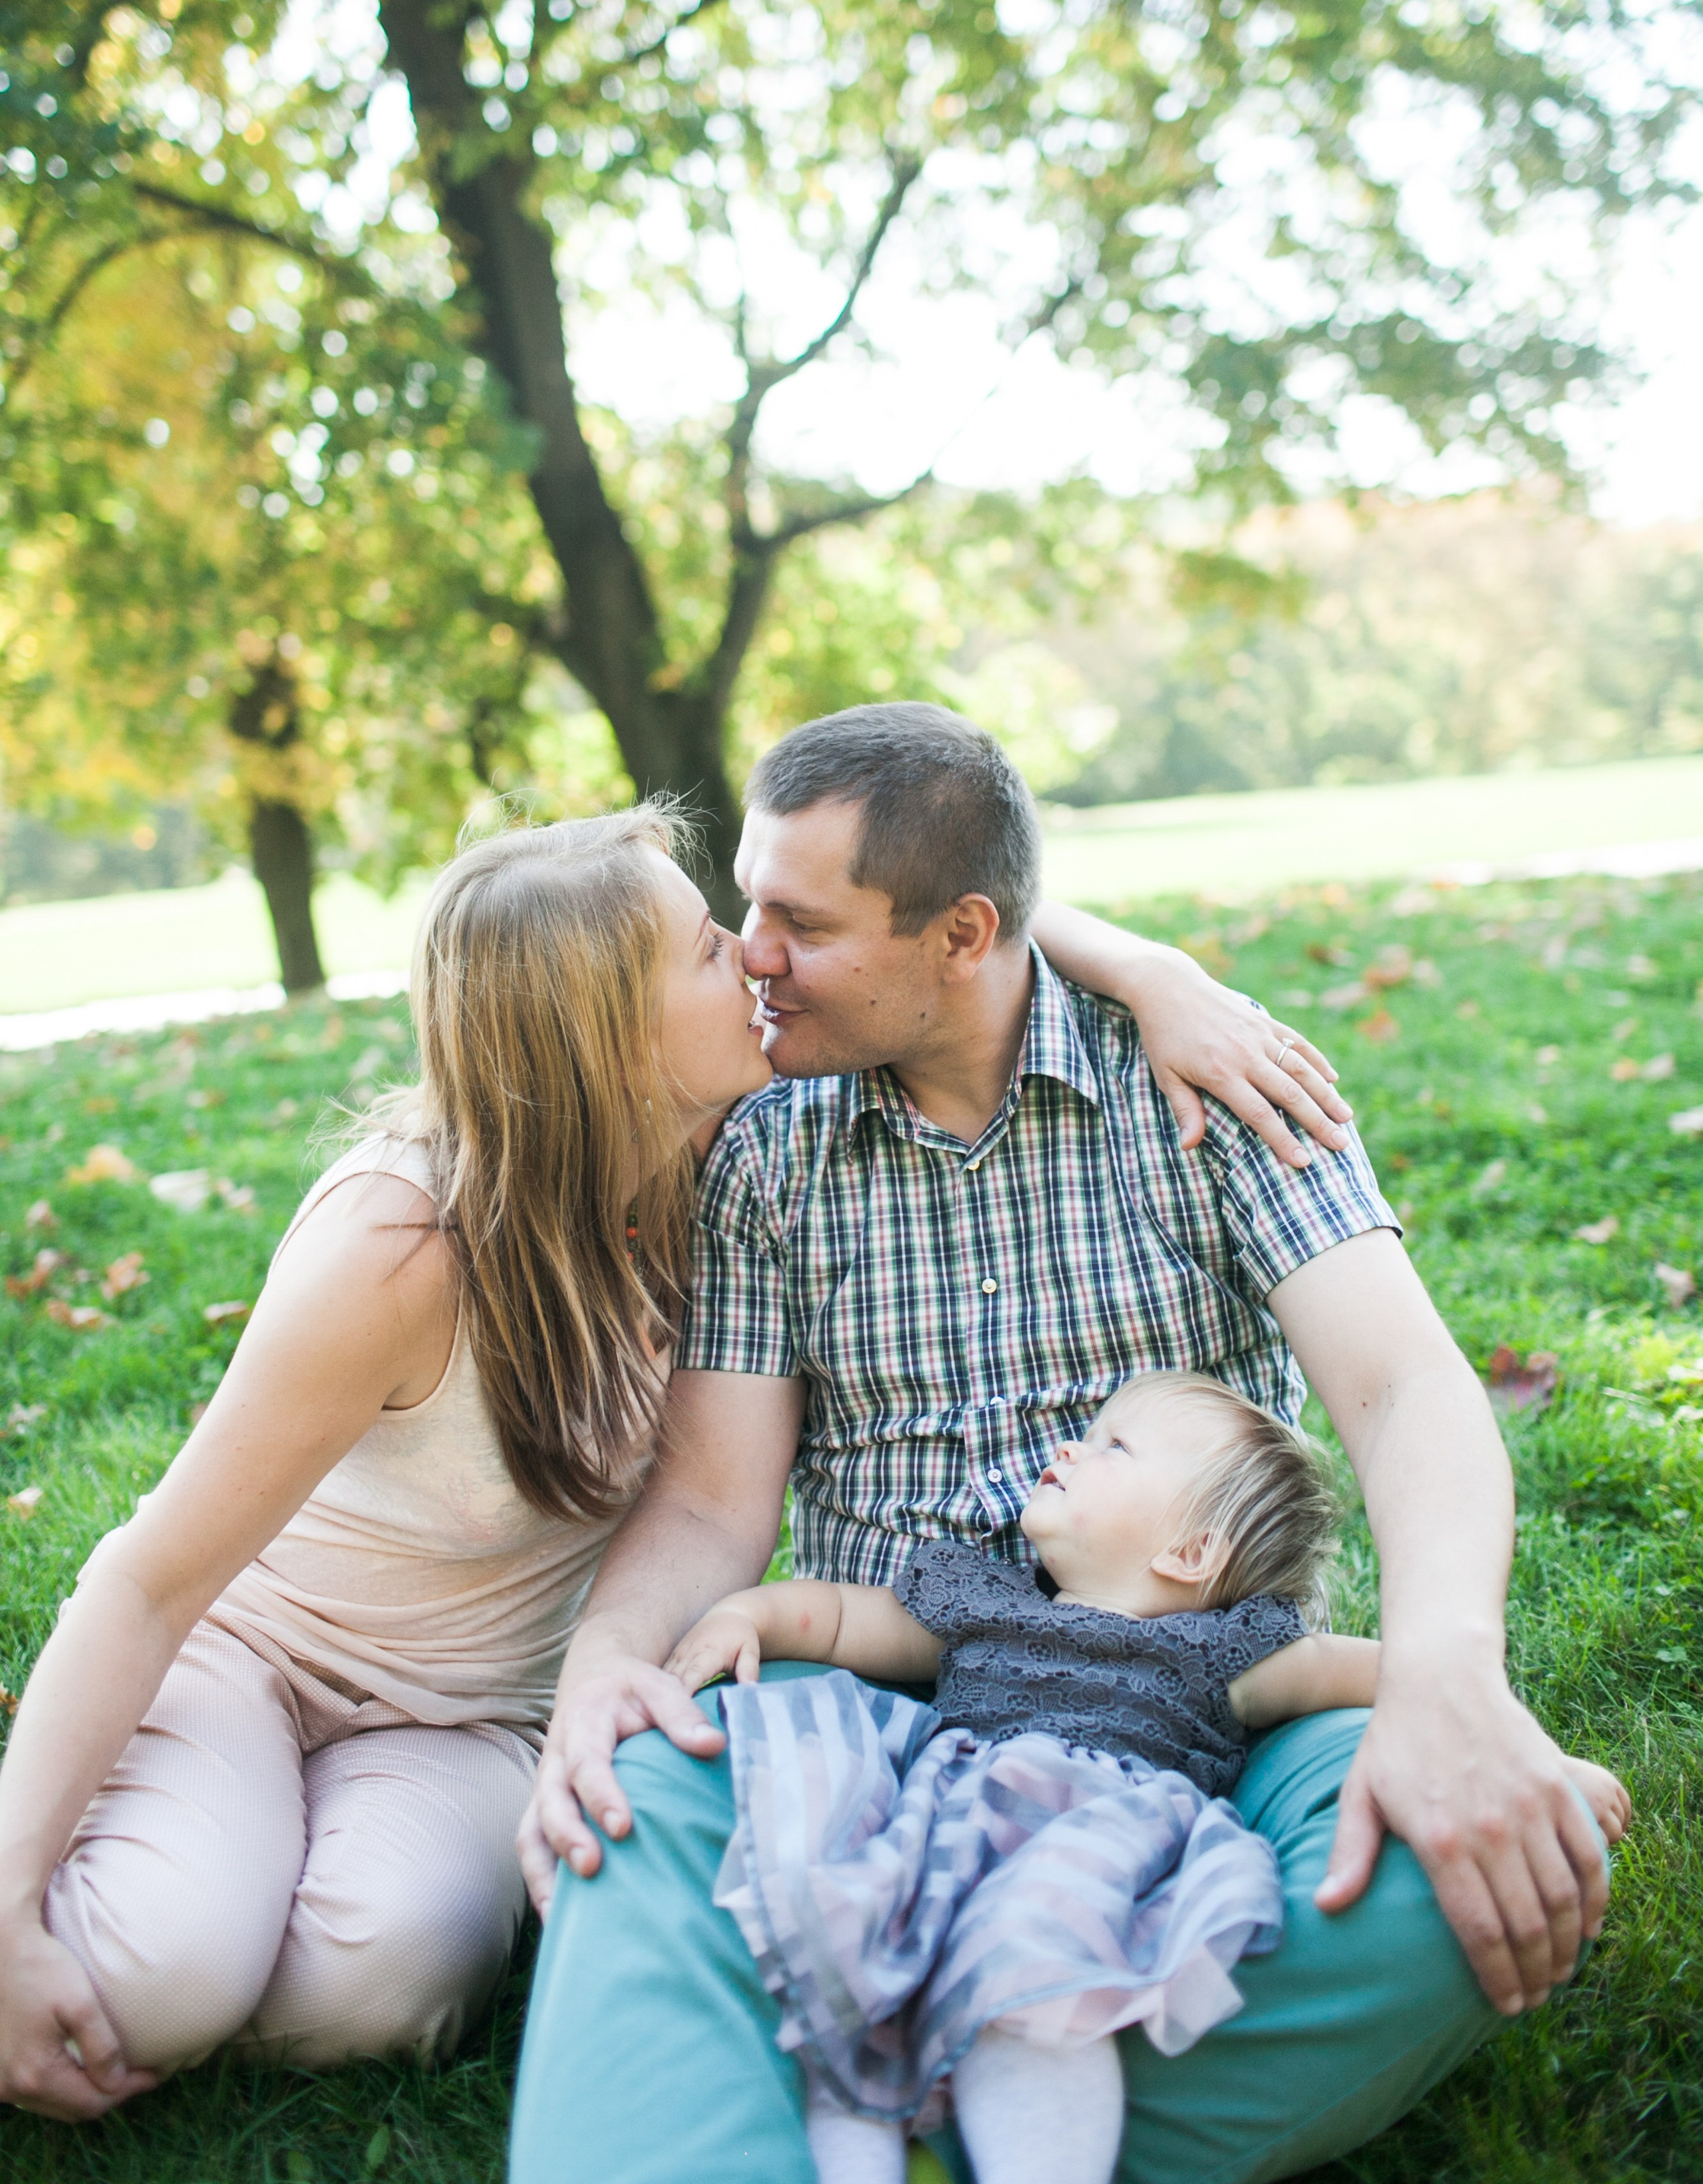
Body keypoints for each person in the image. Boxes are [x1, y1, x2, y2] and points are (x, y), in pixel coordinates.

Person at [0, 792, 1328, 2124]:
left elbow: (954, 933)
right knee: (159, 1973)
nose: (753, 957)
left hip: (477, 1721)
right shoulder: (400, 1243)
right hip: (260, 1658)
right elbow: (147, 1582)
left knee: (364, 2001)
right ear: (607, 1040)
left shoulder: (722, 1161)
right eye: (705, 948)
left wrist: (1158, 974)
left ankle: (232, 1898)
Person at [510, 702, 1626, 2184]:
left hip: (1206, 1727)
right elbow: (714, 1494)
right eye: (744, 912)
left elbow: (1403, 1391)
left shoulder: (1209, 1085)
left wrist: (1443, 1671)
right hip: (881, 1721)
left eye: (800, 922)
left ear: (961, 936)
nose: (754, 953)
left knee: (1436, 1869)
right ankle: (1003, 2097)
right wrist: (604, 1674)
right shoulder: (766, 1147)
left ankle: (881, 2087)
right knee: (637, 1793)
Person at [664, 1372, 1627, 2184]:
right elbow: (836, 1619)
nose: (1074, 1449)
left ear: (1190, 1552)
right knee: (852, 1976)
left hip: (1091, 1853)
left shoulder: (1221, 1653)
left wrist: (1527, 1755)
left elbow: (1402, 1673)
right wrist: (748, 1614)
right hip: (940, 1836)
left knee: (1039, 1995)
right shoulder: (983, 1603)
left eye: (1114, 1447)